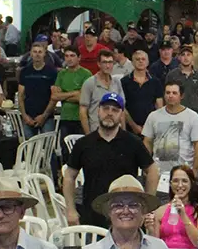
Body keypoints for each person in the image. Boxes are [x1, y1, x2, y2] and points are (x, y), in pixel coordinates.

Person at [64, 93, 158, 228]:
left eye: (115, 110)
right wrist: (71, 210)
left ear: (121, 115)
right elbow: (69, 176)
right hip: (92, 216)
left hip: (127, 217)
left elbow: (152, 171)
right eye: (106, 108)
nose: (109, 113)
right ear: (98, 110)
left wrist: (147, 207)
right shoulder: (83, 144)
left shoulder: (133, 143)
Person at [142, 80, 198, 179]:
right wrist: (147, 167)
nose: (170, 96)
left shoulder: (193, 117)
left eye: (174, 93)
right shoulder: (153, 116)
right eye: (167, 93)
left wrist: (196, 169)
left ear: (182, 96)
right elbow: (147, 142)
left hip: (184, 172)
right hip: (158, 172)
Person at [147, 165, 198, 249]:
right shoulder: (160, 211)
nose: (180, 185)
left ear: (191, 184)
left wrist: (183, 215)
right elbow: (155, 247)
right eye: (176, 181)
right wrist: (150, 230)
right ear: (170, 183)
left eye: (184, 181)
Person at [18, 41, 58, 137]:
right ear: (31, 54)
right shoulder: (24, 71)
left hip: (47, 117)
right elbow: (20, 96)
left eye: (40, 52)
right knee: (29, 148)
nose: (37, 54)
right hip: (28, 117)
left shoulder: (52, 71)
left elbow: (54, 97)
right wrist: (24, 116)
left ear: (44, 54)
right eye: (35, 52)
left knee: (48, 147)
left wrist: (44, 116)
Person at [79, 49, 124, 135]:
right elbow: (83, 111)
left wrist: (124, 132)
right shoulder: (90, 83)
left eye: (110, 62)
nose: (108, 66)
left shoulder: (117, 82)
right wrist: (88, 135)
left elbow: (122, 109)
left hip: (115, 132)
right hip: (96, 132)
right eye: (104, 62)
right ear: (99, 64)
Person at [121, 50, 165, 137]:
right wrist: (134, 126)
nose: (141, 61)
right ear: (132, 62)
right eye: (137, 59)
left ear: (148, 62)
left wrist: (150, 126)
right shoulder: (124, 82)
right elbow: (122, 107)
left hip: (152, 128)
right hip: (130, 129)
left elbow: (159, 107)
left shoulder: (155, 82)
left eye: (143, 59)